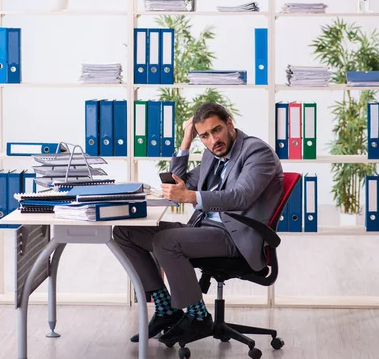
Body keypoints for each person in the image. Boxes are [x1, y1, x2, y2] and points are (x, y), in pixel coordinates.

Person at [113, 102, 283, 346]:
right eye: (204, 135)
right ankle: (165, 308)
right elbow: (179, 181)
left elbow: (240, 196)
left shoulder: (257, 153)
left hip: (234, 237)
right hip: (203, 229)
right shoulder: (212, 154)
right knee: (125, 233)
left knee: (166, 241)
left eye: (217, 130)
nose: (213, 140)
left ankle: (198, 316)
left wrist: (190, 197)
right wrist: (186, 140)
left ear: (230, 124)